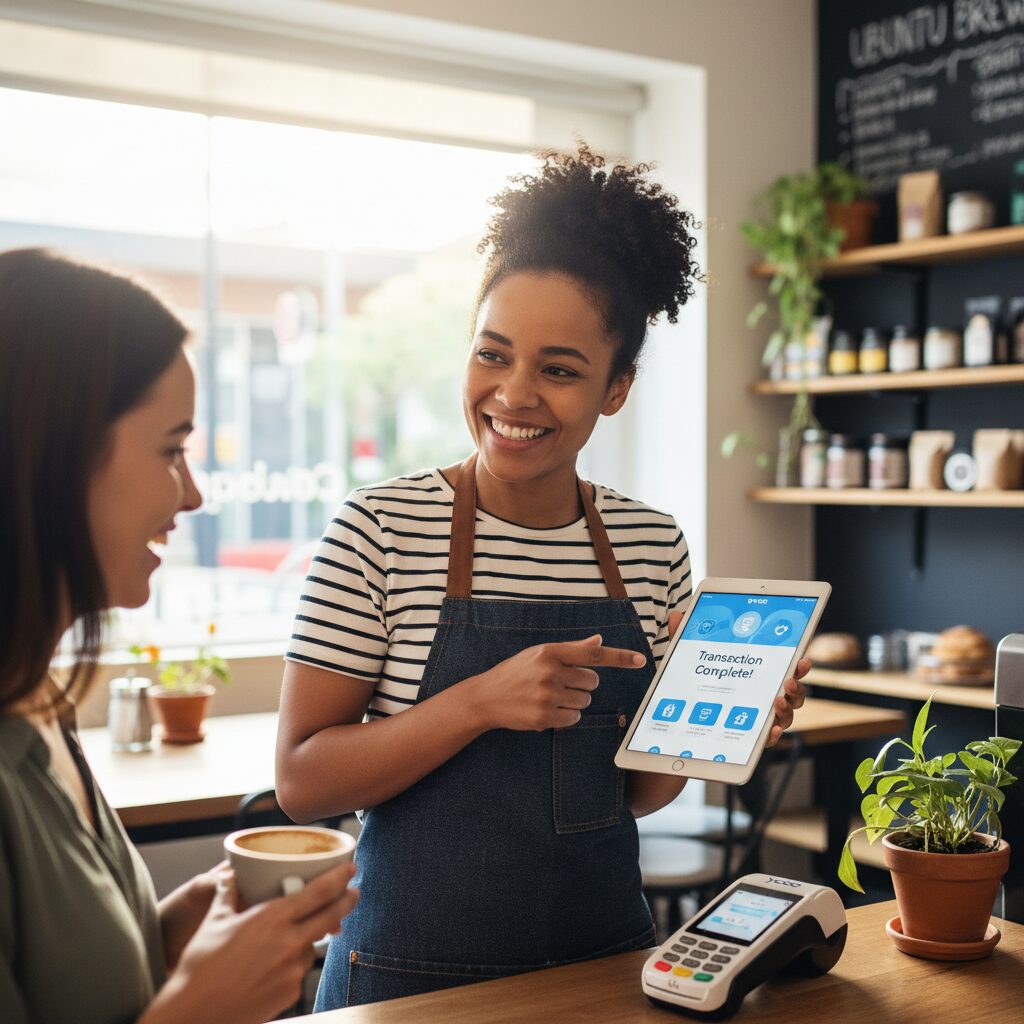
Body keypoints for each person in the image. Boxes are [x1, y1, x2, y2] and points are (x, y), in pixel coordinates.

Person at [275, 143, 809, 1010]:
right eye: (493, 354)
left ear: (617, 387)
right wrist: (479, 702)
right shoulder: (380, 527)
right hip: (408, 983)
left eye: (559, 370)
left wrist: (722, 721)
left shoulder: (649, 543)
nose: (513, 394)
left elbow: (634, 795)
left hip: (600, 966)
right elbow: (302, 782)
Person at [0, 248, 359, 1024]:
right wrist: (200, 1009)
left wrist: (164, 940)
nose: (192, 495)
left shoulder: (43, 707)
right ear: (50, 455)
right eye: (170, 450)